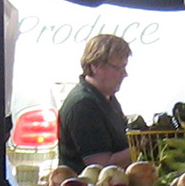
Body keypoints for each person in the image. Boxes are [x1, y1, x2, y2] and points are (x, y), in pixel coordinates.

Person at [58, 34, 136, 168]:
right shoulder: (83, 106)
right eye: (119, 68)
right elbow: (101, 167)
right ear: (95, 65)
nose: (124, 74)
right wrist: (148, 147)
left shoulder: (107, 98)